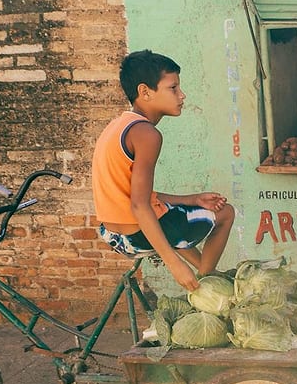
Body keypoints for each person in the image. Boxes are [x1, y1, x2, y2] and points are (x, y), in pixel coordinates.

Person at [92, 49, 235, 292]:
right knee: (226, 213)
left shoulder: (118, 126)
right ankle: (206, 284)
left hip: (112, 232)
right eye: (173, 88)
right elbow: (139, 205)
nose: (182, 95)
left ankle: (206, 272)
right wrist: (174, 265)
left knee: (176, 217)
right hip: (135, 235)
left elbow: (137, 195)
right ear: (145, 92)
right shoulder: (147, 134)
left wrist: (194, 199)